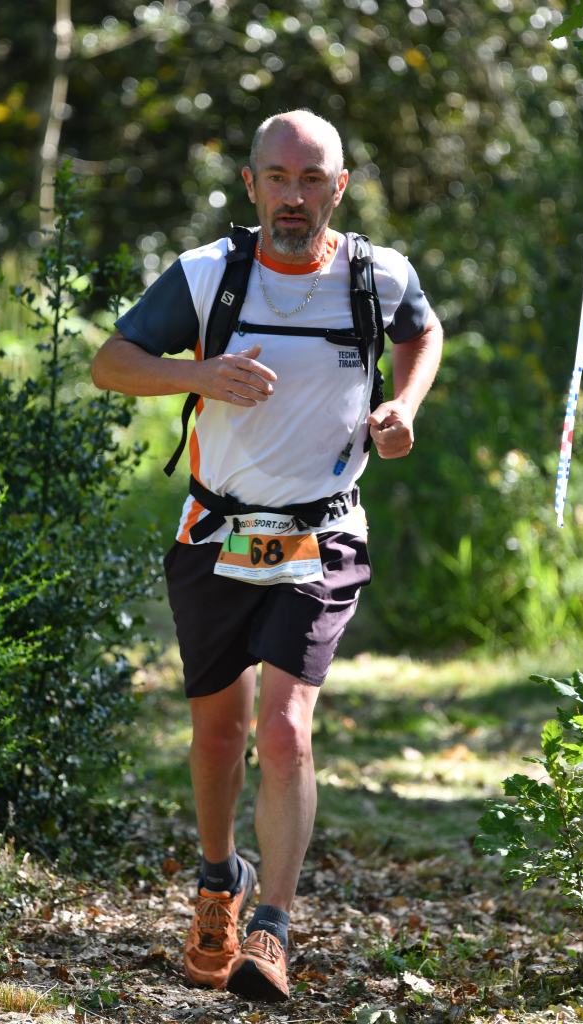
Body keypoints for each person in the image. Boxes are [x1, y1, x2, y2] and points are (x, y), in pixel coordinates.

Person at [91, 109, 443, 1003]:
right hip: (216, 532)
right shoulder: (207, 275)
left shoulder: (376, 274)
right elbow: (110, 361)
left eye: (311, 178)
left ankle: (272, 929)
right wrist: (196, 374)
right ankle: (220, 881)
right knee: (220, 732)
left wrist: (403, 406)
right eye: (277, 178)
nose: (294, 196)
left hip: (323, 532)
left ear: (339, 187)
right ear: (250, 184)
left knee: (284, 729)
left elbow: (421, 332)